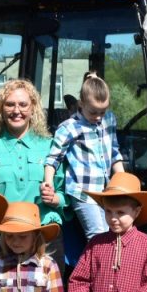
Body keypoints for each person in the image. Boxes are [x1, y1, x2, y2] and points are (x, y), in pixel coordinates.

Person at [0, 79, 67, 267]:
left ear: (33, 109)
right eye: (10, 105)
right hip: (5, 241)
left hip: (45, 238)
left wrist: (55, 198)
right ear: (0, 110)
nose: (17, 111)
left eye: (23, 104)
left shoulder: (51, 146)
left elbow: (67, 196)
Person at [41, 73, 125, 239]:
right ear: (81, 104)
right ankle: (98, 265)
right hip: (83, 192)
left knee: (113, 234)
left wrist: (123, 180)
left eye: (103, 111)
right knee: (97, 236)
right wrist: (48, 183)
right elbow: (53, 159)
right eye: (94, 112)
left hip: (106, 190)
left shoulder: (109, 120)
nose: (99, 117)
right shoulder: (69, 128)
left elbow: (114, 151)